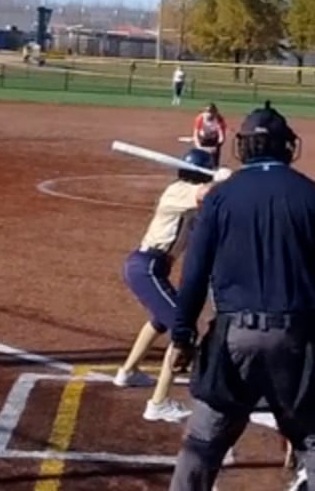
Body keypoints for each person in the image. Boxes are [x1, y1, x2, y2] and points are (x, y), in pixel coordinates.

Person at [168, 102, 315, 491]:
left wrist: (182, 335)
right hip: (298, 338)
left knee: (203, 442)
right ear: (287, 146)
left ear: (244, 147)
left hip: (235, 337)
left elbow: (194, 274)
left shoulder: (221, 197)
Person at [112, 147, 229, 422]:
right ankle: (158, 403)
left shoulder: (191, 201)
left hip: (153, 267)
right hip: (146, 267)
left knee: (159, 320)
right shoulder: (179, 191)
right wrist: (222, 180)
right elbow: (205, 194)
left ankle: (127, 372)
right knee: (182, 329)